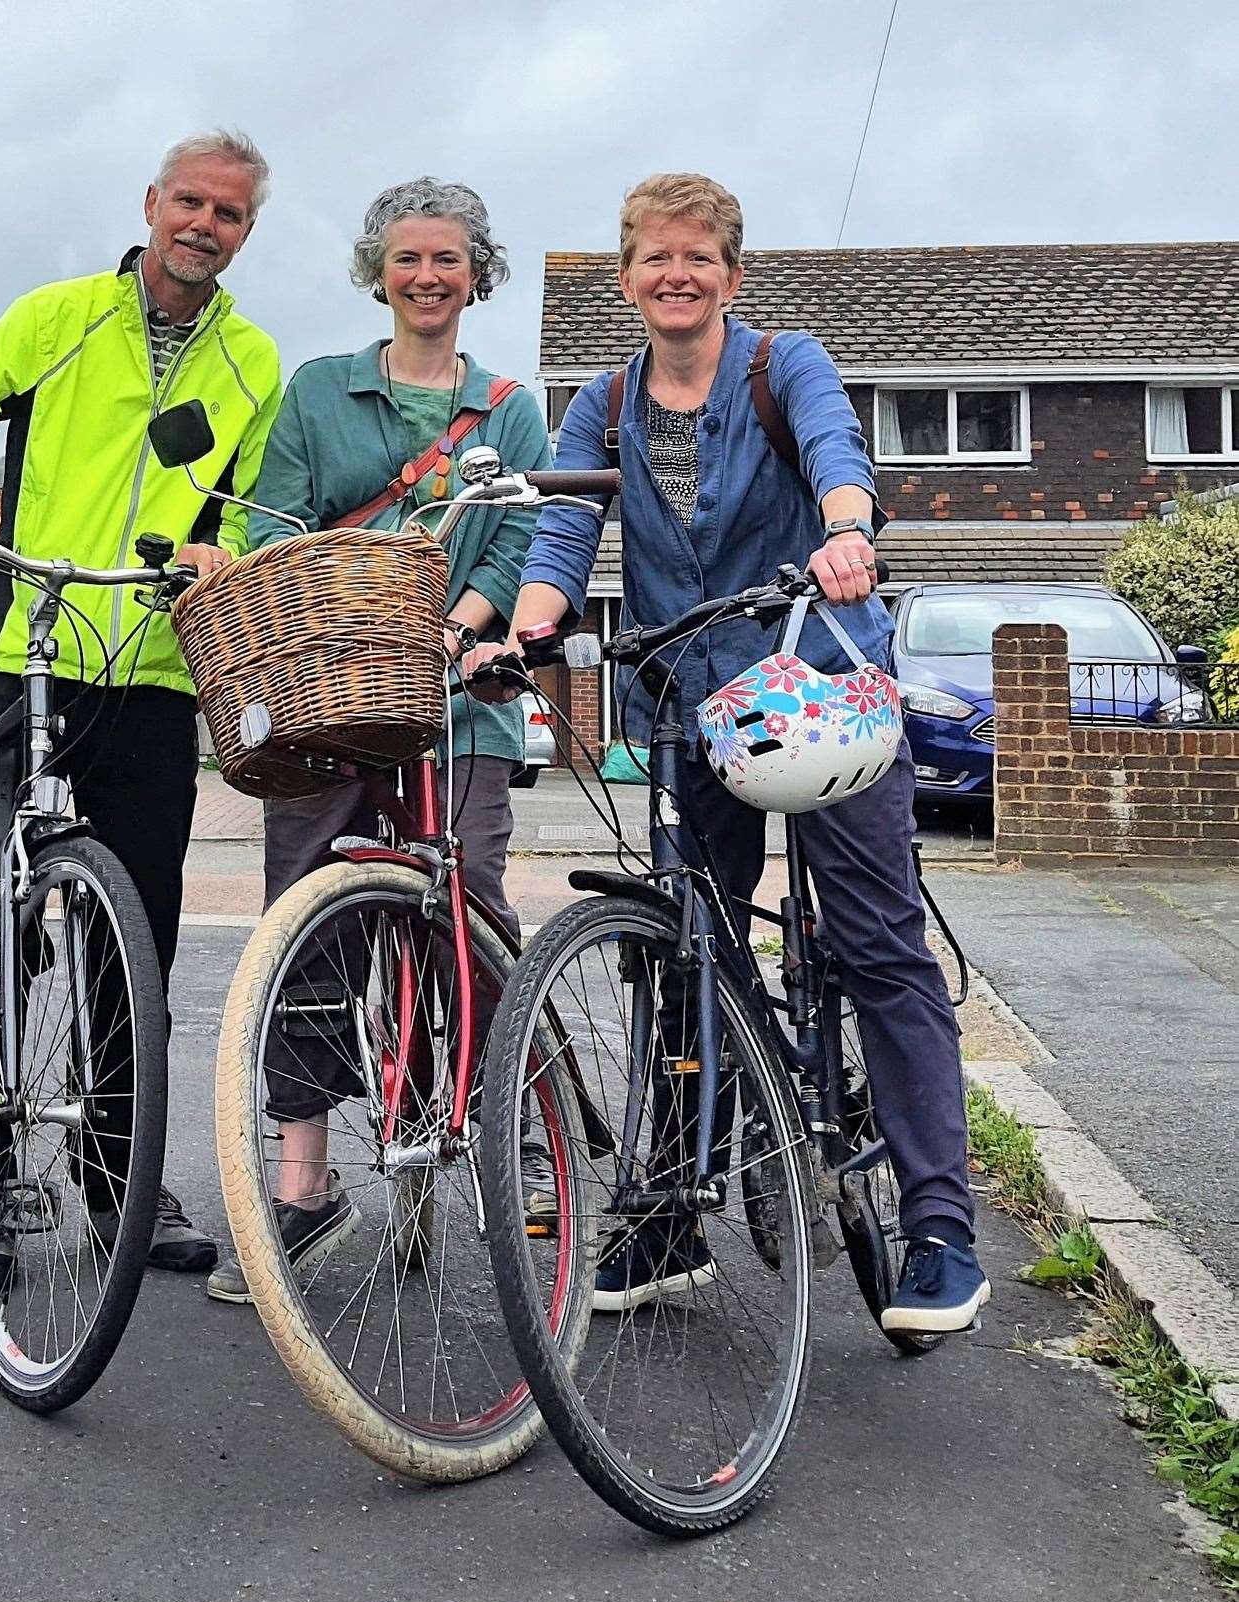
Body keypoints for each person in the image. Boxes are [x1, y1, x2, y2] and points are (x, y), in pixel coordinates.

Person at [469, 172, 989, 1336]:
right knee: (683, 949)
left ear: (730, 274)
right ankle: (673, 1208)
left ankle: (939, 1227)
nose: (674, 274)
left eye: (696, 256)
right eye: (654, 257)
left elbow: (834, 449)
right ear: (625, 278)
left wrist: (847, 528)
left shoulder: (779, 362)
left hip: (815, 683)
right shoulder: (601, 405)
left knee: (873, 940)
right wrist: (528, 625)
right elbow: (562, 532)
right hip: (689, 706)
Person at [0, 128, 283, 1284]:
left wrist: (214, 555)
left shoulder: (251, 362)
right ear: (150, 201)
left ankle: (119, 1173)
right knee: (6, 922)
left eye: (228, 213)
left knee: (139, 942)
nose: (203, 225)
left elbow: (238, 506)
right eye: (189, 201)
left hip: (152, 670)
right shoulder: (59, 316)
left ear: (246, 231)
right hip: (26, 649)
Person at [205, 177, 552, 1304]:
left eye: (446, 259)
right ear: (378, 272)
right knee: (304, 912)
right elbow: (275, 527)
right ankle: (302, 1178)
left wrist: (451, 632)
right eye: (406, 259)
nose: (425, 277)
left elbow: (509, 545)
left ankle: (510, 1134)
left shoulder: (509, 406)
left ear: (474, 272)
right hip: (329, 694)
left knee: (475, 908)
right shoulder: (317, 392)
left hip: (460, 696)